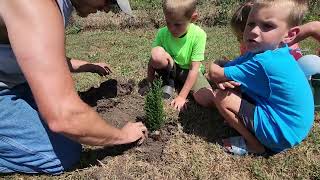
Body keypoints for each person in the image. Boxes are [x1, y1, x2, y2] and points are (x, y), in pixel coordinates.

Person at [0, 0, 147, 175]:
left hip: (16, 82)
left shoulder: (60, 5)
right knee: (61, 153)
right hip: (7, 86)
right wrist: (121, 136)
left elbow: (39, 52)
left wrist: (86, 65)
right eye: (109, 0)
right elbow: (63, 117)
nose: (108, 8)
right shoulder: (35, 4)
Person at [208, 0, 314, 155]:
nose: (254, 31)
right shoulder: (273, 51)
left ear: (289, 35)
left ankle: (255, 145)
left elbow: (214, 73)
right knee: (232, 81)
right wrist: (222, 72)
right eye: (251, 24)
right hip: (294, 126)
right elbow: (228, 67)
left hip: (282, 133)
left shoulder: (264, 62)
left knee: (222, 97)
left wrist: (213, 65)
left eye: (267, 26)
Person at [144, 0, 215, 111]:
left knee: (207, 99)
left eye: (177, 24)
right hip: (171, 69)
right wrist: (149, 81)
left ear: (193, 18)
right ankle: (169, 83)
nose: (172, 28)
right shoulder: (162, 33)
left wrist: (182, 96)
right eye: (168, 23)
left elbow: (194, 69)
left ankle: (179, 84)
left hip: (189, 72)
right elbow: (152, 60)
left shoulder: (199, 35)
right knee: (157, 54)